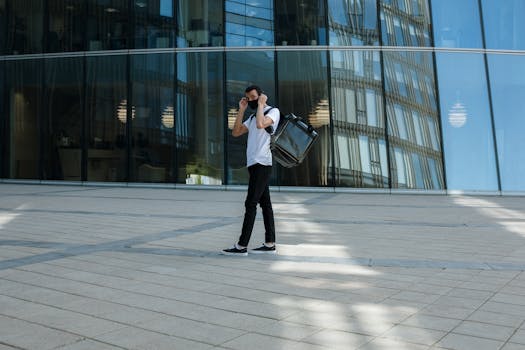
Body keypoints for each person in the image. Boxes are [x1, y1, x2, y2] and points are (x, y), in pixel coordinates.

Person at [222, 85, 280, 256]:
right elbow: (236, 132)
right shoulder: (254, 114)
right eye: (248, 98)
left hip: (263, 163)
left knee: (250, 203)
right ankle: (270, 244)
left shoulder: (272, 111)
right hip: (254, 164)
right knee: (265, 204)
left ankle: (241, 246)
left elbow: (262, 124)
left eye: (254, 97)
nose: (251, 100)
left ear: (261, 96)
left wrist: (261, 104)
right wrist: (241, 109)